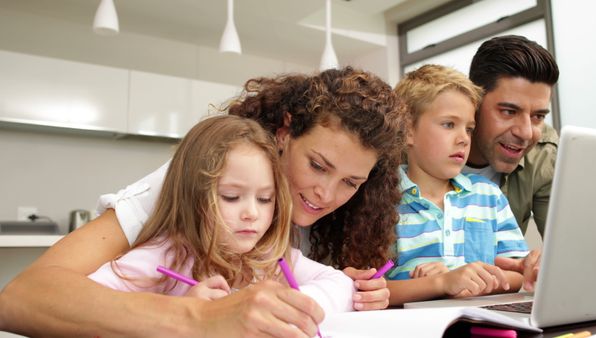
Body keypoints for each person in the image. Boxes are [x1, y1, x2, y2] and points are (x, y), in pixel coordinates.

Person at [0, 67, 405, 337]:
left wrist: (342, 297)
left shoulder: (306, 213)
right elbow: (21, 297)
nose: (326, 195)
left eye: (350, 183)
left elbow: (315, 283)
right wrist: (199, 317)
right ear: (284, 133)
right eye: (317, 165)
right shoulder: (197, 182)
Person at [88, 115, 354, 314]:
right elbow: (88, 310)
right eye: (231, 197)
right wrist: (184, 313)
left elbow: (340, 283)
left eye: (264, 199)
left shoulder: (269, 256)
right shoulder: (164, 256)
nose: (251, 213)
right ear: (192, 195)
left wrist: (286, 305)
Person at [386, 64, 529, 305]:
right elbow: (370, 291)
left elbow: (517, 275)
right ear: (408, 130)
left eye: (469, 129)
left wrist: (476, 282)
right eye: (449, 124)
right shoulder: (384, 201)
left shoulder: (488, 195)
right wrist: (436, 284)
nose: (463, 138)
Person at [463, 35, 560, 291]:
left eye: (538, 116)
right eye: (509, 111)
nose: (526, 132)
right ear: (474, 102)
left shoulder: (543, 154)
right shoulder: (413, 147)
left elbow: (568, 249)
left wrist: (543, 262)